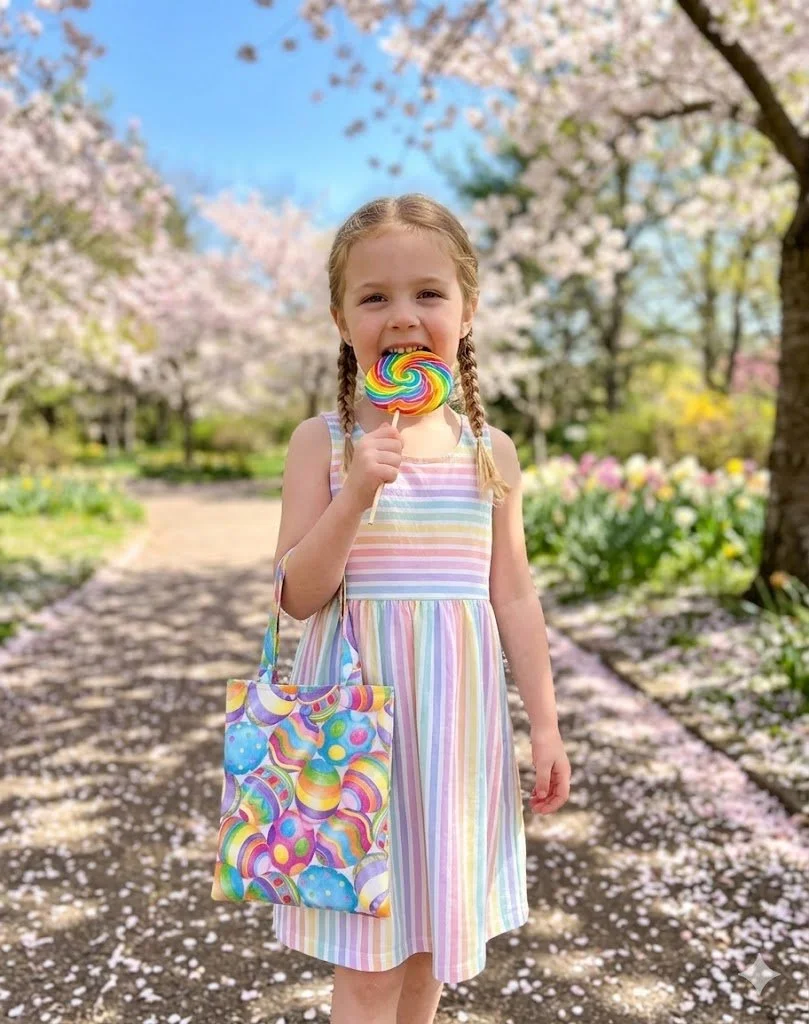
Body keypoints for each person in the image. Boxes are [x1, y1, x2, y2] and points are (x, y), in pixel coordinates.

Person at [272, 193, 571, 1024]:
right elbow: (297, 595)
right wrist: (355, 491)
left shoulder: (489, 453)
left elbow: (510, 592)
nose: (402, 316)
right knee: (369, 965)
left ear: (465, 312)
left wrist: (543, 726)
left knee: (435, 946)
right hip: (354, 728)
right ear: (341, 319)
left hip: (457, 736)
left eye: (427, 295)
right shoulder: (321, 443)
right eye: (374, 298)